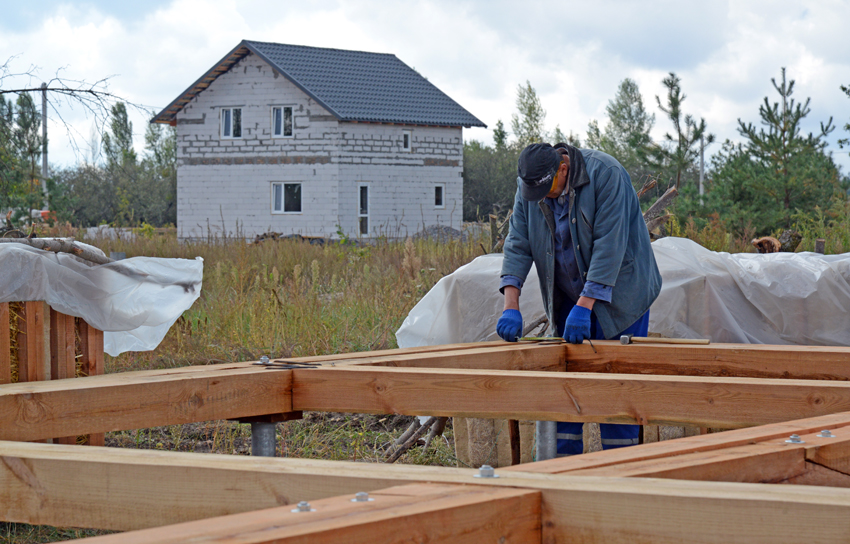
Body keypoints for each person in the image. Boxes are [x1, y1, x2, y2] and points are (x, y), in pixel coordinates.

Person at [496, 142, 661, 456]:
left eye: (549, 190)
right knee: (564, 391)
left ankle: (620, 475)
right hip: (570, 294)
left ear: (562, 167)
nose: (543, 198)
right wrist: (510, 306)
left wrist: (585, 306)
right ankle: (560, 474)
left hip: (622, 295)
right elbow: (518, 242)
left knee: (615, 392)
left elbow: (609, 247)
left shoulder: (607, 174)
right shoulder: (532, 185)